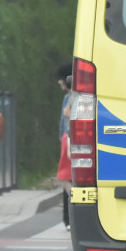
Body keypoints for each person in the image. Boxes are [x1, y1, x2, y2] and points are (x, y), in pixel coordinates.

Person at [55, 62, 74, 231]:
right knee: (67, 176)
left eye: (61, 79)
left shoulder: (72, 97)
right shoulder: (69, 96)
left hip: (69, 139)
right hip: (66, 140)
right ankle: (68, 218)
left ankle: (76, 199)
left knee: (65, 177)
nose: (60, 82)